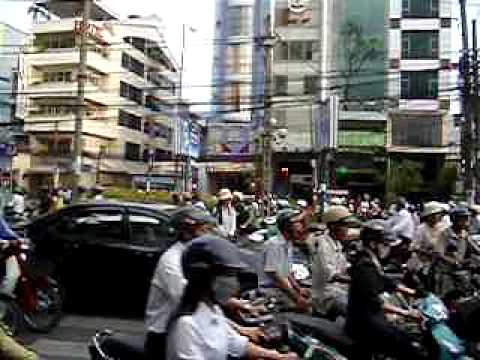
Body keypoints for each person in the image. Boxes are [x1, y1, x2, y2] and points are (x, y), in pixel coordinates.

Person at [166, 235, 298, 360]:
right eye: (228, 275)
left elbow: (235, 343)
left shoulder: (213, 310)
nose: (233, 282)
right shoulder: (186, 325)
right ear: (204, 277)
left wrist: (277, 356)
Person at [346, 220, 426, 360]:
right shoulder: (364, 265)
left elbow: (386, 282)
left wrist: (414, 292)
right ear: (373, 243)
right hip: (364, 322)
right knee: (408, 347)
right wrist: (407, 313)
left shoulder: (372, 260)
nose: (388, 248)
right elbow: (375, 302)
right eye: (385, 244)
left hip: (374, 316)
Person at [145, 207, 217, 359]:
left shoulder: (193, 257)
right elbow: (188, 298)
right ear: (187, 232)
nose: (208, 235)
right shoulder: (171, 261)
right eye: (204, 230)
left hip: (183, 329)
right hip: (163, 334)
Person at [263, 209, 310, 313]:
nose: (301, 227)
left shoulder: (288, 244)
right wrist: (296, 298)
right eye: (296, 224)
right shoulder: (274, 245)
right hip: (272, 291)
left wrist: (298, 289)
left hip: (283, 289)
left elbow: (287, 272)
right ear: (287, 228)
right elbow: (275, 276)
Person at [311, 206, 353, 317]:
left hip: (339, 291)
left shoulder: (337, 244)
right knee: (356, 313)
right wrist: (357, 281)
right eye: (345, 225)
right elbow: (332, 275)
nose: (347, 229)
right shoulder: (323, 245)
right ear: (334, 226)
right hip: (327, 296)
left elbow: (345, 268)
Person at [408, 201, 445, 273]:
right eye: (435, 214)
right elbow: (413, 247)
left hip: (439, 261)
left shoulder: (442, 227)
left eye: (438, 214)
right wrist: (428, 253)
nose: (437, 216)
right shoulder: (421, 229)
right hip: (423, 261)